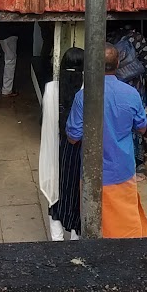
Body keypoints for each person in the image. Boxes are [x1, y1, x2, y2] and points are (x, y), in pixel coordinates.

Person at [66, 45, 147, 238]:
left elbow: (73, 136)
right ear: (118, 64)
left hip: (93, 172)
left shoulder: (83, 96)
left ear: (93, 65)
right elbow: (142, 127)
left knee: (95, 224)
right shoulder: (130, 93)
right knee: (127, 222)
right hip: (123, 168)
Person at [39, 47, 85, 240]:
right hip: (79, 149)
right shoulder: (86, 90)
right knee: (76, 193)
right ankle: (76, 237)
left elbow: (46, 120)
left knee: (56, 192)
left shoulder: (51, 89)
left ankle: (57, 239)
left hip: (56, 148)